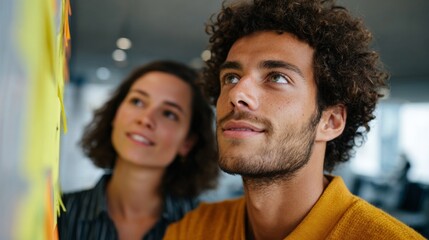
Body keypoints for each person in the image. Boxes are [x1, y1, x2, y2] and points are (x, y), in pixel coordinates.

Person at [163, 0, 425, 239]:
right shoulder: (192, 230)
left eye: (277, 77)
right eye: (231, 78)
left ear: (330, 122)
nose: (237, 93)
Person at [57, 60, 219, 240]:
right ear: (115, 115)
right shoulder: (58, 215)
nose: (146, 119)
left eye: (169, 114)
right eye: (137, 101)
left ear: (187, 142)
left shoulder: (207, 229)